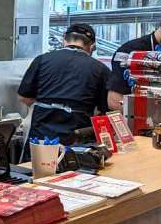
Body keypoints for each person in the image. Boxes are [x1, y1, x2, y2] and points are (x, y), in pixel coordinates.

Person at [17, 23, 109, 153]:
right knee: (75, 172)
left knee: (36, 170)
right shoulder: (100, 69)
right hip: (76, 141)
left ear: (63, 39)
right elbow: (105, 109)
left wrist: (48, 106)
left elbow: (24, 97)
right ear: (92, 46)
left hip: (41, 137)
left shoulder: (42, 60)